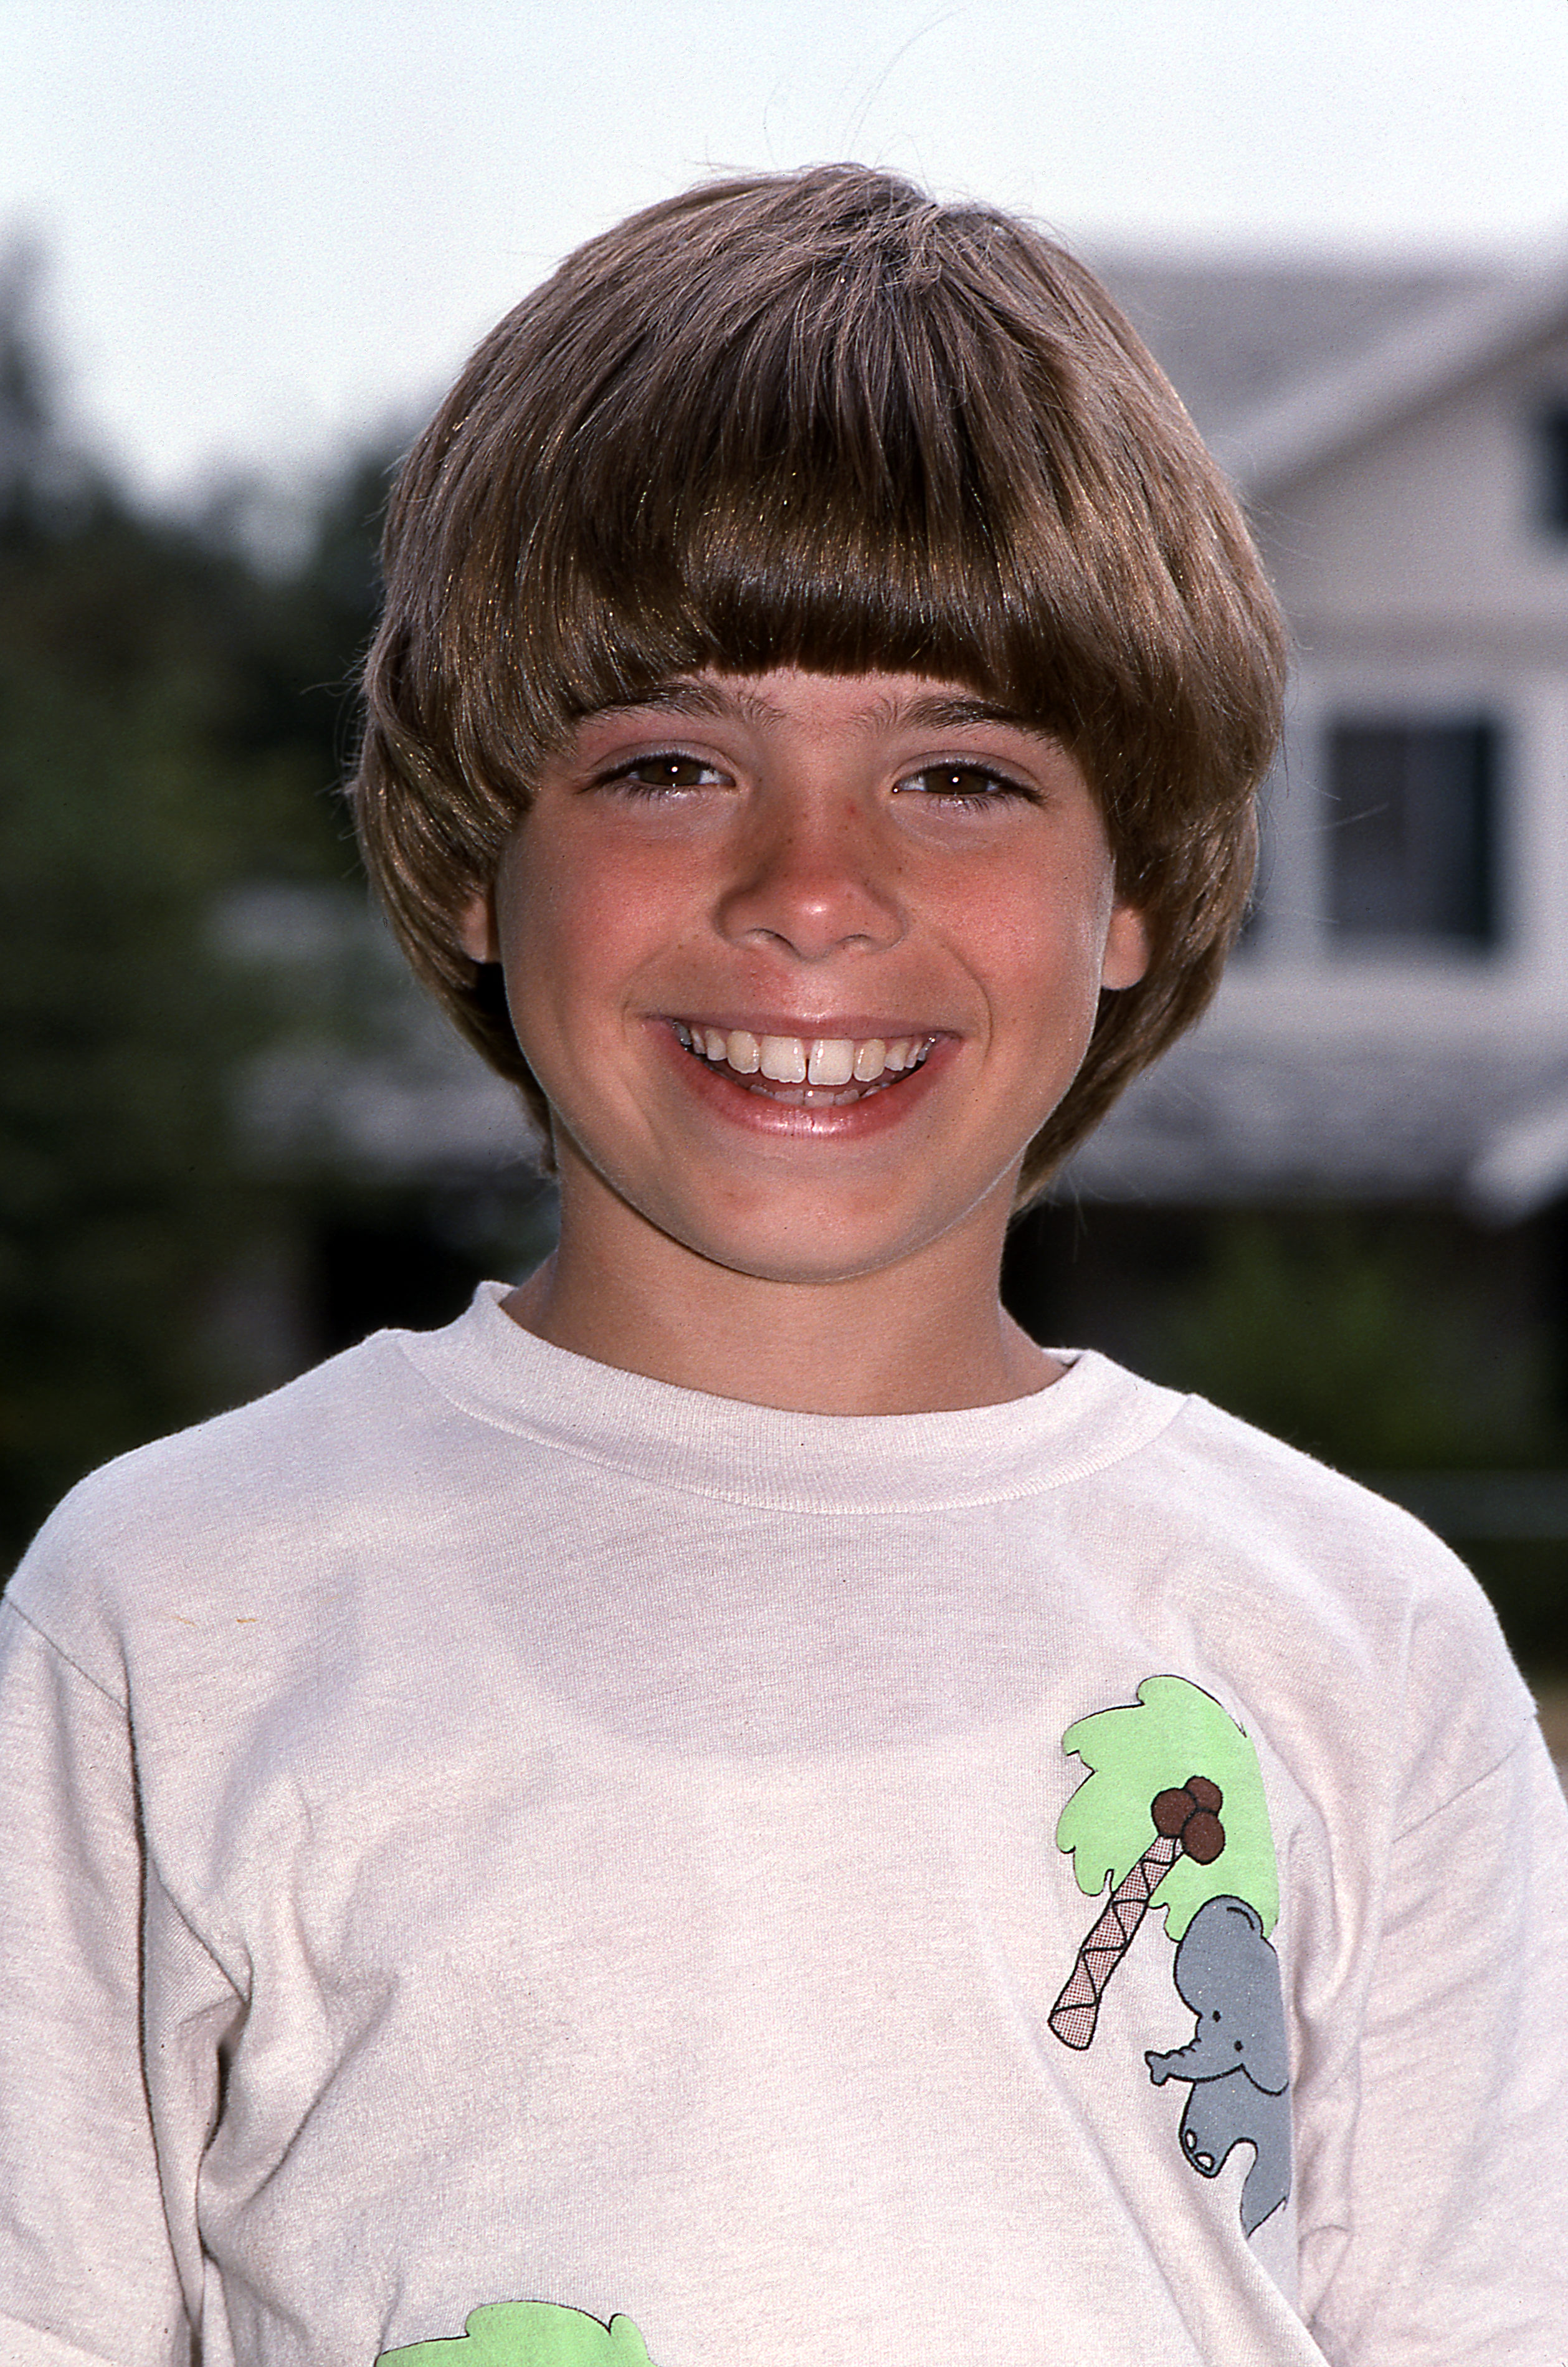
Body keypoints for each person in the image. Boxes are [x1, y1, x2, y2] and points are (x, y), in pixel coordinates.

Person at [1, 165, 1564, 2367]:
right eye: (666, 762)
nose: (809, 890)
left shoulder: (1366, 1641)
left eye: (956, 771)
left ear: (1134, 891)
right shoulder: (171, 1615)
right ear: (472, 856)